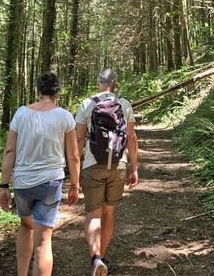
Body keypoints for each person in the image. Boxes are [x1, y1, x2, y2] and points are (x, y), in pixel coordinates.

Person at [0, 72, 80, 276]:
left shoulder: (21, 113)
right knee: (44, 240)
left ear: (38, 91)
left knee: (26, 227)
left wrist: (3, 186)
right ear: (57, 93)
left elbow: (9, 151)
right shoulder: (64, 116)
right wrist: (75, 185)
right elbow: (74, 155)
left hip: (23, 183)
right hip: (51, 183)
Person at [75, 68, 139, 276]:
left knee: (93, 214)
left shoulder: (87, 104)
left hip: (92, 165)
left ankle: (96, 259)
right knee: (109, 211)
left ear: (98, 83)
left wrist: (74, 173)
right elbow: (132, 138)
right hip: (118, 165)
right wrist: (134, 167)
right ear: (115, 83)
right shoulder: (124, 104)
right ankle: (101, 257)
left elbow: (78, 140)